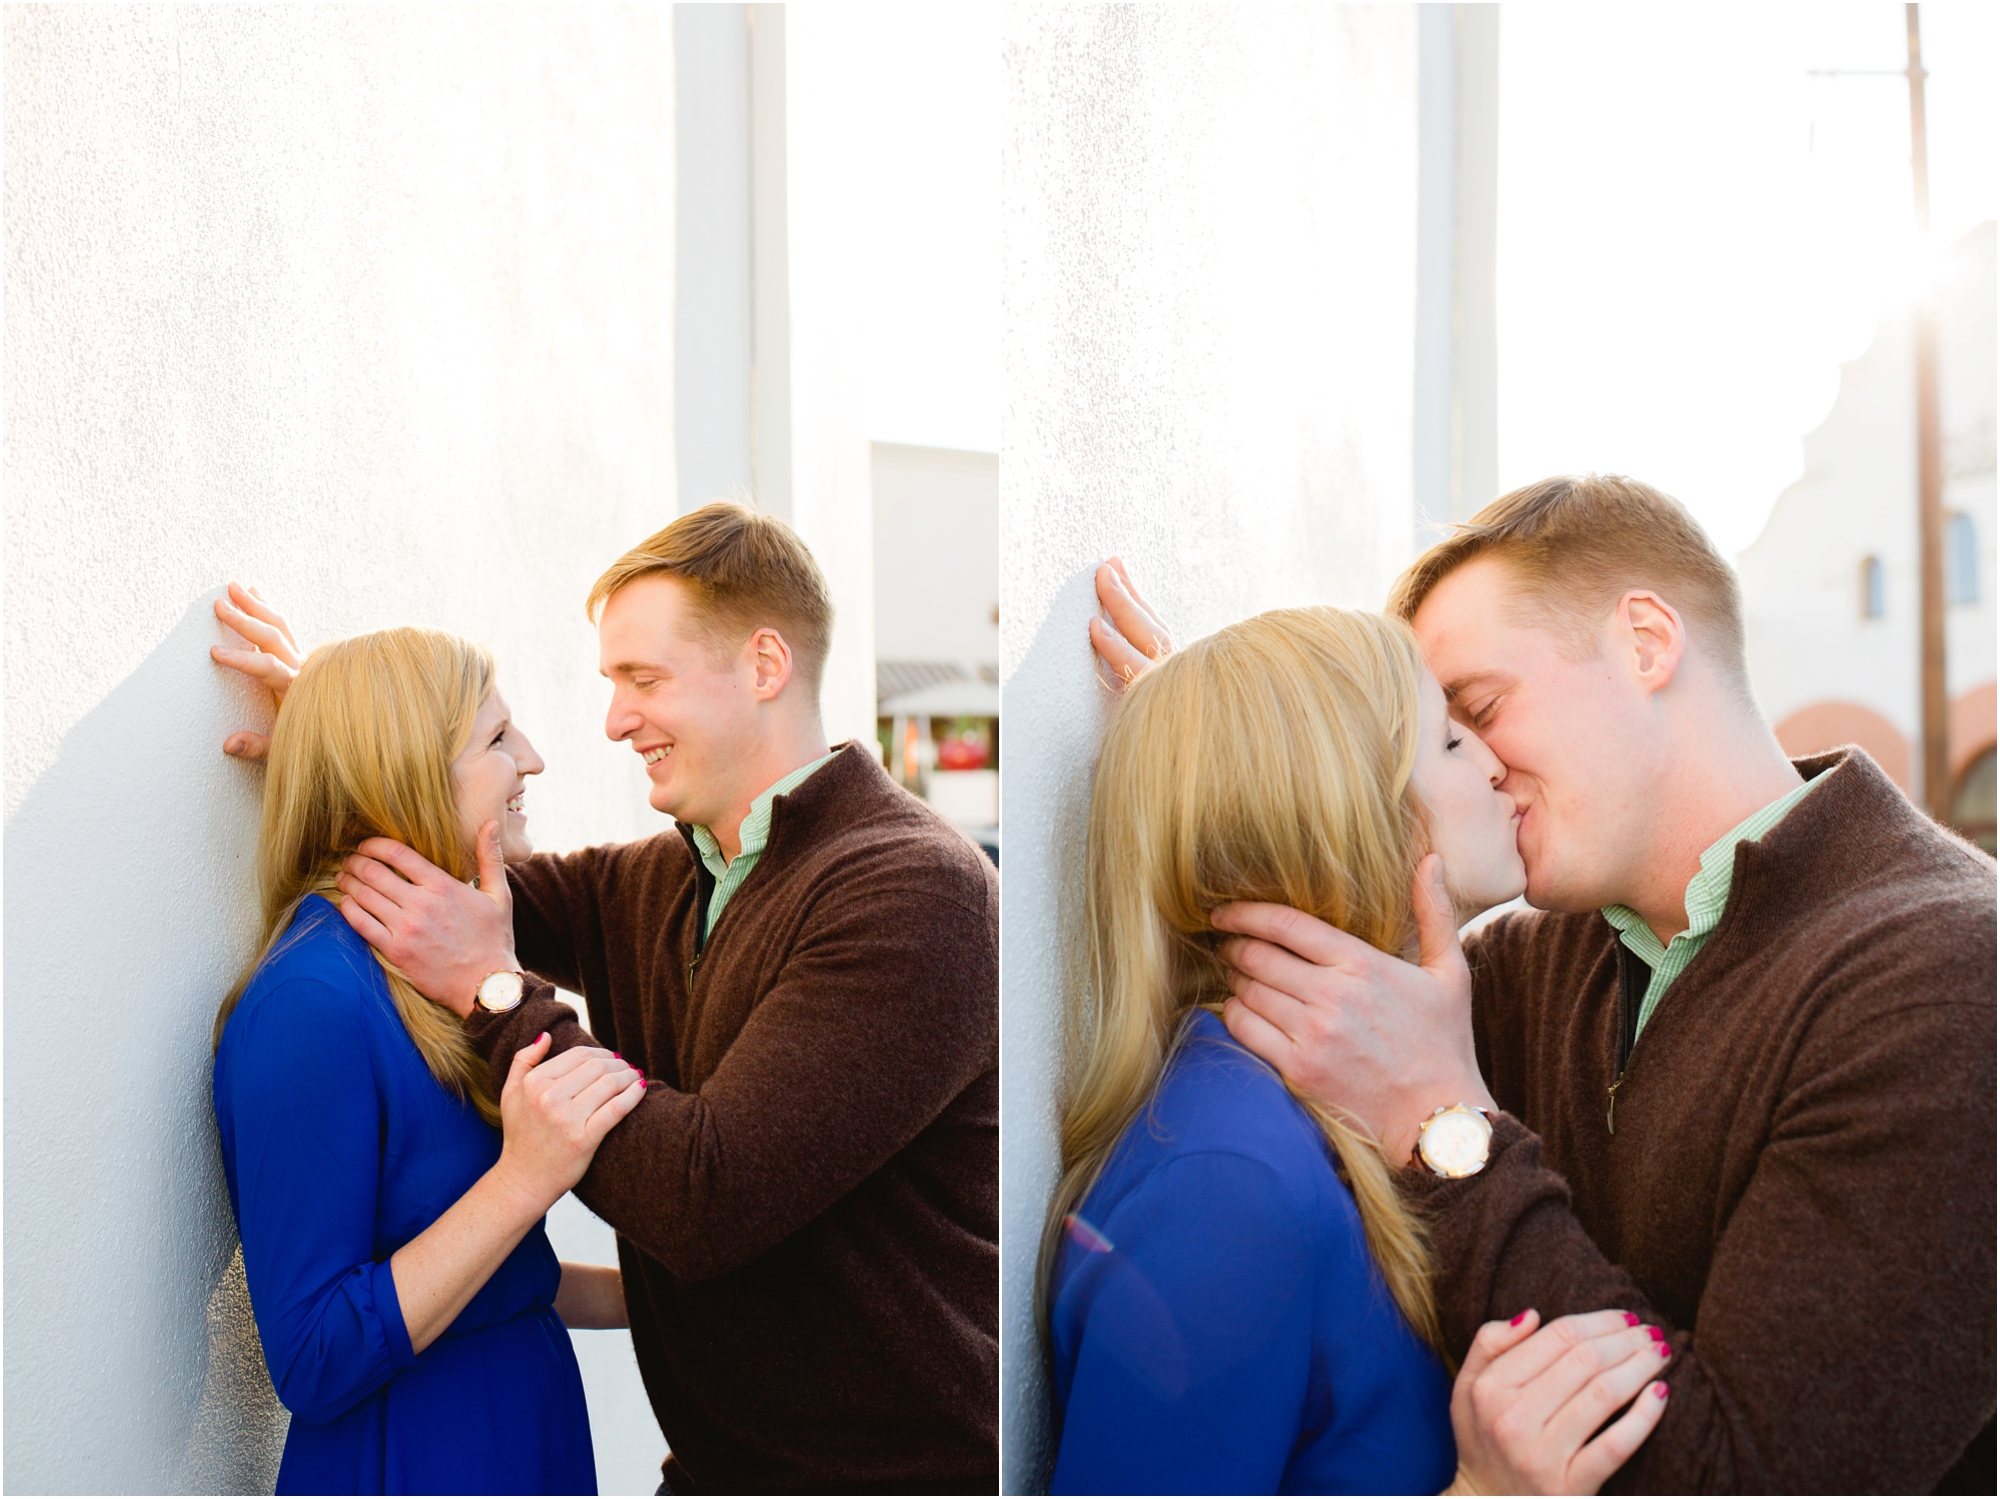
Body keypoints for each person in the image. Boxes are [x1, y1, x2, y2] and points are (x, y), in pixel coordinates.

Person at [1092, 474, 1997, 1493]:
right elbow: (1342, 972)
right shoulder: (1534, 959)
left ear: (1645, 642)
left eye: (1474, 707)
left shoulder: (1949, 983)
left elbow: (1745, 1475)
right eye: (1439, 733)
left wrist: (1441, 1121)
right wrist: (1247, 758)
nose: (1473, 760)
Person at [216, 503, 1000, 1495]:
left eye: (644, 678)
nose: (610, 720)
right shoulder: (664, 883)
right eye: (609, 683)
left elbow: (701, 1197)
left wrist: (497, 989)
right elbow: (452, 888)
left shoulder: (913, 892)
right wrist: (362, 740)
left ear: (764, 666)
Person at [1047, 604, 1672, 1495]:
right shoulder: (1227, 1183)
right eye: (1452, 742)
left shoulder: (1318, 1102)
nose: (1493, 760)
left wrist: (1233, 734)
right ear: (1341, 806)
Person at [210, 621, 644, 1495]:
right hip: (416, 1459)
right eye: (495, 737)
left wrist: (678, 1302)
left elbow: (493, 1278)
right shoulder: (310, 1002)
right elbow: (314, 1353)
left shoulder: (425, 975)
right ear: (404, 770)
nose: (532, 757)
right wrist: (523, 1179)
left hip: (524, 1432)